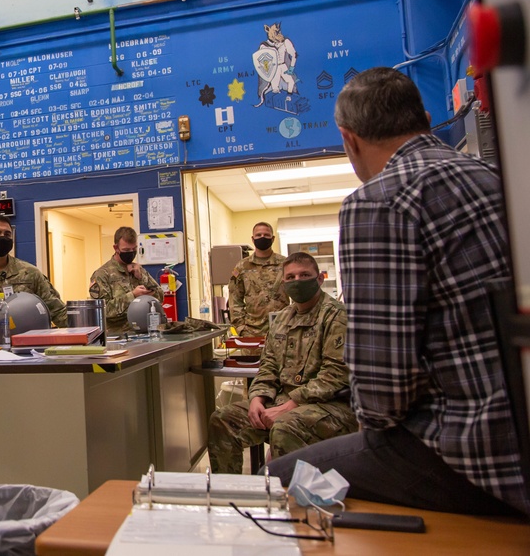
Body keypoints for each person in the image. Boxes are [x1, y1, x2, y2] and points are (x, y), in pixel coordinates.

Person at [269, 67, 530, 516]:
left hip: (472, 457)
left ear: (349, 139)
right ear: (425, 118)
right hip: (516, 438)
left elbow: (381, 398)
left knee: (275, 483)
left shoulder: (379, 201)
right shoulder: (494, 177)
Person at [207, 253, 356, 474]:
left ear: (320, 279)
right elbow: (268, 365)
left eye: (305, 275)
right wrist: (258, 397)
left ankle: (286, 501)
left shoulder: (336, 316)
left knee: (284, 427)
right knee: (222, 419)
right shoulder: (282, 318)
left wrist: (290, 406)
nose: (297, 280)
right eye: (291, 277)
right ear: (283, 284)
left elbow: (334, 375)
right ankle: (230, 495)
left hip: (331, 406)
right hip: (282, 401)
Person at [88, 226, 163, 336]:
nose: (131, 253)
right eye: (126, 250)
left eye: (134, 249)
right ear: (116, 248)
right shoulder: (102, 274)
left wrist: (141, 277)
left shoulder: (138, 270)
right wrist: (132, 296)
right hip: (119, 337)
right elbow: (104, 311)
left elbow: (161, 297)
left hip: (145, 333)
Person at [227, 222, 287, 336]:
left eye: (266, 235)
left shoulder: (285, 264)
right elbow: (235, 300)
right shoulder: (242, 266)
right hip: (251, 333)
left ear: (273, 239)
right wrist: (241, 328)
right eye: (258, 235)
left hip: (282, 330)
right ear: (253, 239)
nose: (262, 237)